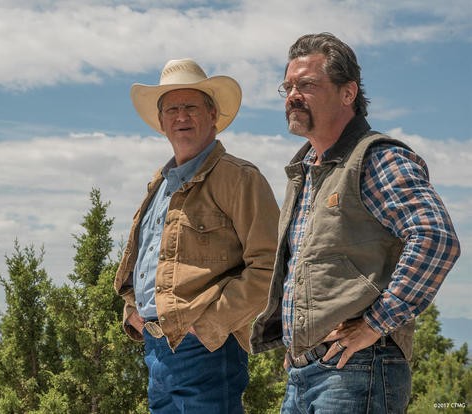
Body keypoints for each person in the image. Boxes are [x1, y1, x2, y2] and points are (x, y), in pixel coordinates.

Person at [250, 32, 461, 413]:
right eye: (288, 86)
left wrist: (375, 324)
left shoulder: (377, 158)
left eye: (307, 85)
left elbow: (435, 238)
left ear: (348, 93)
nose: (293, 95)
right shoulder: (306, 171)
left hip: (359, 368)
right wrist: (300, 347)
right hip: (307, 372)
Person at [114, 58, 279, 413]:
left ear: (213, 114)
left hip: (206, 348)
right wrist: (133, 312)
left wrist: (207, 326)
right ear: (161, 122)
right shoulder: (158, 185)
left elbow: (271, 267)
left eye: (190, 107)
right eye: (172, 109)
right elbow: (143, 263)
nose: (181, 116)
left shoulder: (239, 178)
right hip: (155, 348)